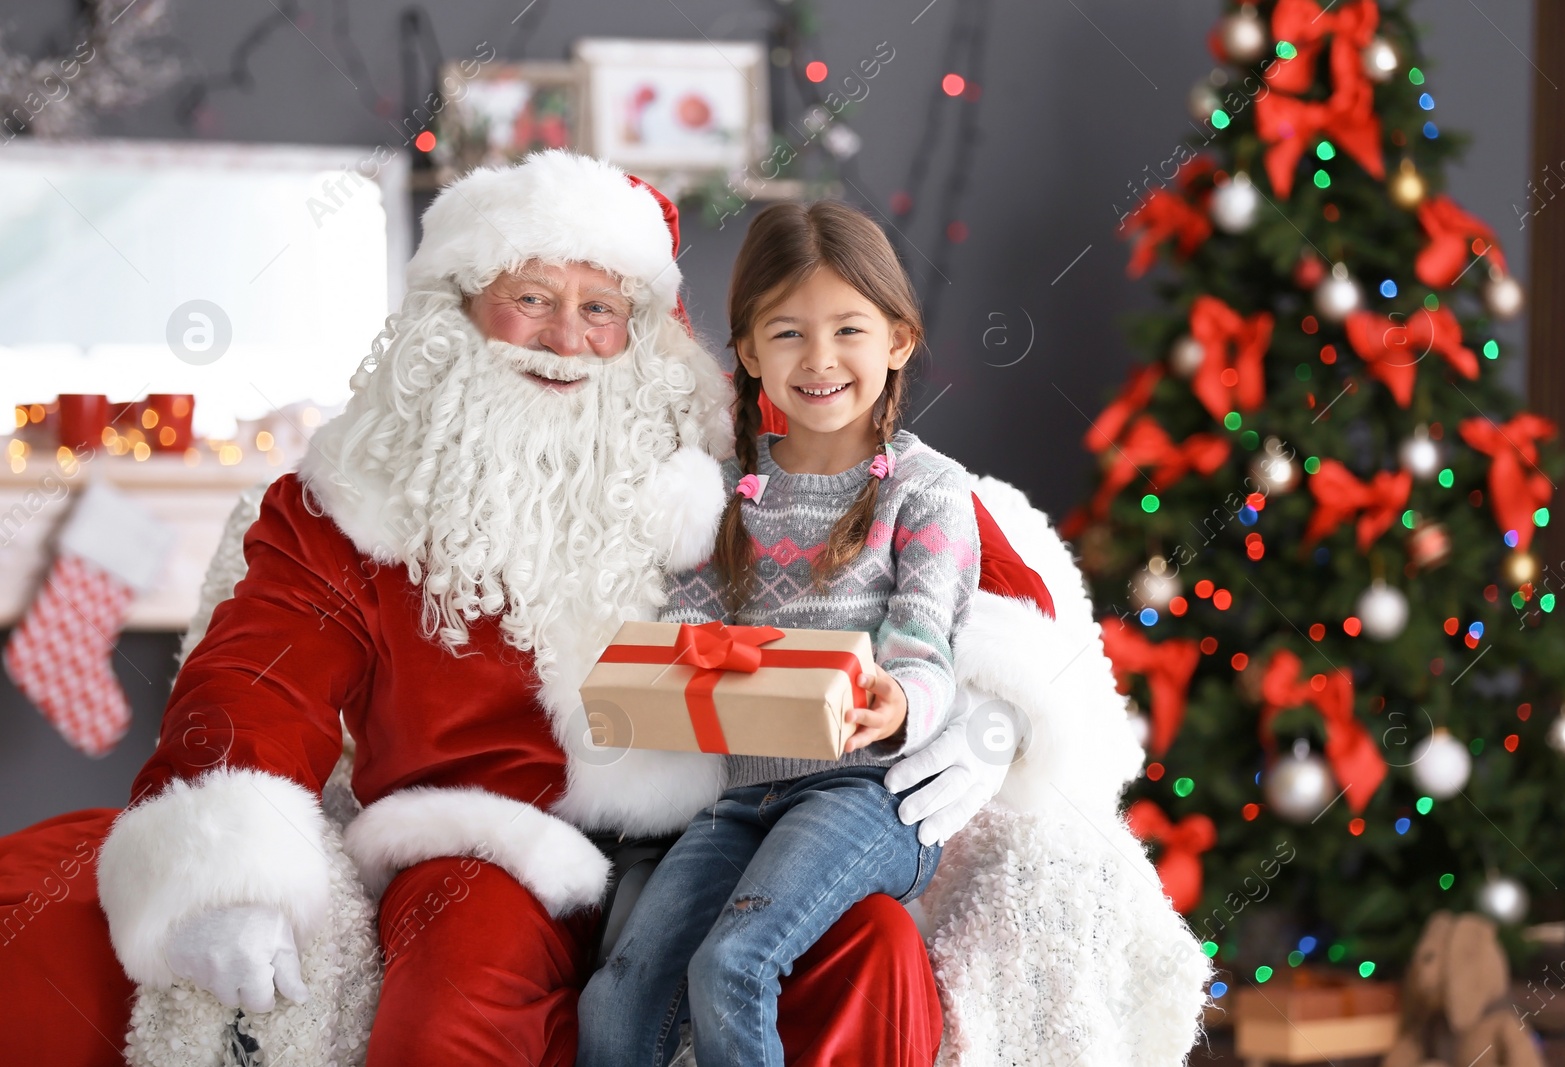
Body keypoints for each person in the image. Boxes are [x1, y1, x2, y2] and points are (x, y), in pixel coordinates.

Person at [0, 151, 1074, 1066]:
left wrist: (994, 710)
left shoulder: (718, 452)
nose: (565, 338)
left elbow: (966, 554)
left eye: (600, 307)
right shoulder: (358, 494)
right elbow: (255, 673)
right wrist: (223, 862)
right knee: (457, 987)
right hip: (489, 839)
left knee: (872, 947)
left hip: (730, 817)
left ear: (639, 331)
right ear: (457, 311)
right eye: (530, 297)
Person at [578, 202, 972, 1066]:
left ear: (899, 340)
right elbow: (690, 617)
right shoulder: (724, 488)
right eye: (787, 332)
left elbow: (924, 643)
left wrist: (900, 698)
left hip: (865, 797)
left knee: (734, 962)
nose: (820, 359)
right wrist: (675, 666)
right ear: (751, 352)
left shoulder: (925, 489)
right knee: (619, 993)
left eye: (848, 329)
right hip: (741, 795)